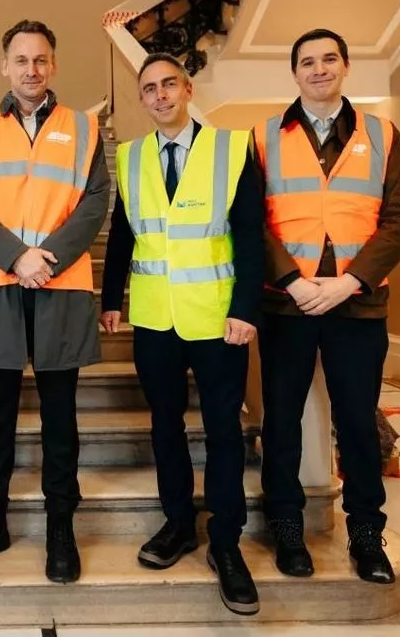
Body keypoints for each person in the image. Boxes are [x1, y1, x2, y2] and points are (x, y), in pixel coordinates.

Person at [0, 19, 110, 584]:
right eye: (21, 59)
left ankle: (61, 527)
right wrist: (18, 257)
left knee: (62, 420)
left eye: (41, 59)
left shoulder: (84, 129)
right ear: (4, 65)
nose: (31, 69)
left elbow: (94, 203)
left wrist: (48, 258)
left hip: (60, 286)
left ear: (53, 65)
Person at [101, 52, 264, 616]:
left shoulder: (231, 148)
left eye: (170, 84)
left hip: (219, 317)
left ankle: (226, 540)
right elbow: (123, 231)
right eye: (150, 89)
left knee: (223, 431)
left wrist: (247, 308)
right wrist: (110, 298)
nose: (161, 95)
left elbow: (249, 234)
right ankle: (178, 524)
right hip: (153, 318)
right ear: (142, 99)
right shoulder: (129, 156)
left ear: (188, 88)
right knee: (164, 426)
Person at [255, 28, 400, 584]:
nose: (318, 69)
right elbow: (250, 222)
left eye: (329, 59)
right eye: (307, 61)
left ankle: (367, 535)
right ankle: (286, 527)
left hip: (358, 305)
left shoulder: (383, 134)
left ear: (345, 67)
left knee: (357, 422)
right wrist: (291, 281)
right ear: (294, 72)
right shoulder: (262, 137)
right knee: (281, 421)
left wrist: (350, 282)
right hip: (286, 304)